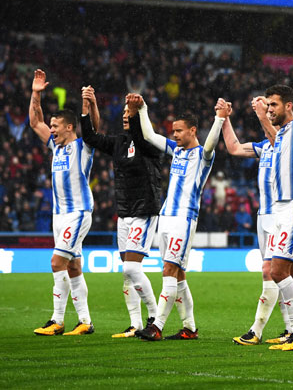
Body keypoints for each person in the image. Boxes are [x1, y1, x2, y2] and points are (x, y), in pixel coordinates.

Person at [222, 90, 293, 347]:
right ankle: (292, 329)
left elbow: (279, 133)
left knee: (277, 271)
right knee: (287, 274)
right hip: (269, 216)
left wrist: (263, 114)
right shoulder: (265, 148)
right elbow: (232, 147)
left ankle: (285, 330)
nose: (269, 111)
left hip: (291, 212)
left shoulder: (285, 140)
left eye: (274, 106)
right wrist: (224, 119)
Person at [130, 94, 225, 341]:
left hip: (184, 219)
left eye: (179, 131)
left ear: (193, 130)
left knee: (169, 269)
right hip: (166, 217)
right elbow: (150, 136)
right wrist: (143, 109)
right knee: (178, 275)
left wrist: (219, 119)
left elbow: (212, 144)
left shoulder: (203, 156)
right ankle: (189, 328)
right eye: (173, 131)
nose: (174, 135)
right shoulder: (176, 151)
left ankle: (157, 326)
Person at [79, 88, 161, 338]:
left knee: (131, 269)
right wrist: (88, 104)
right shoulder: (118, 143)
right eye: (125, 112)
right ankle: (135, 324)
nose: (126, 114)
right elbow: (90, 137)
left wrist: (138, 111)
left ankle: (156, 318)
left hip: (144, 210)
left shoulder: (151, 142)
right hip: (124, 212)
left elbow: (139, 134)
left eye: (130, 112)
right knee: (127, 272)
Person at [30, 70, 95, 336]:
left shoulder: (83, 146)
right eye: (52, 126)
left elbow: (92, 125)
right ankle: (85, 322)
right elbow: (35, 123)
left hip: (78, 213)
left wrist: (87, 104)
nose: (52, 129)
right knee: (73, 266)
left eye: (56, 126)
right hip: (59, 215)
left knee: (57, 262)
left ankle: (57, 320)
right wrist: (36, 93)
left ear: (70, 127)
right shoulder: (56, 147)